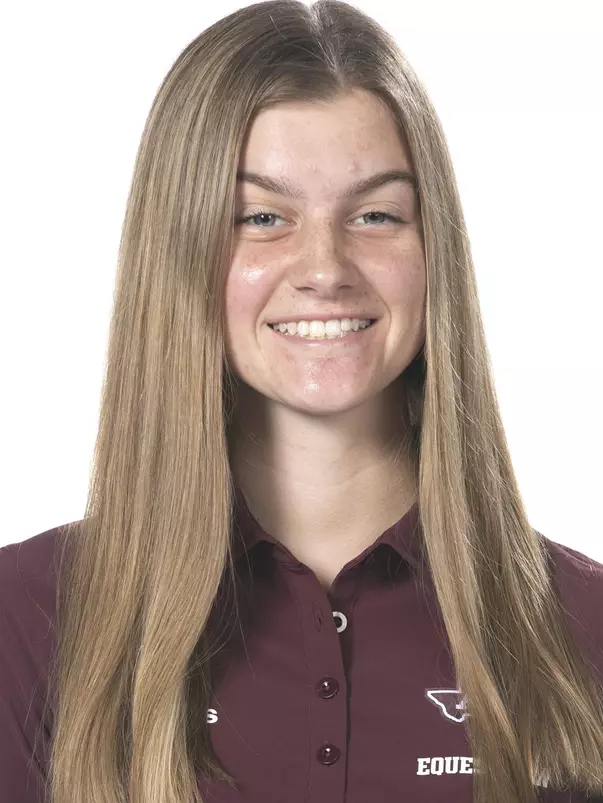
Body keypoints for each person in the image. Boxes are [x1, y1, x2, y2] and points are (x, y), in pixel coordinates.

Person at [1, 2, 603, 802]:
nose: (325, 266)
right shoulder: (26, 619)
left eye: (376, 214)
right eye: (261, 217)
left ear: (434, 255)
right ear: (177, 249)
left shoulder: (581, 624)